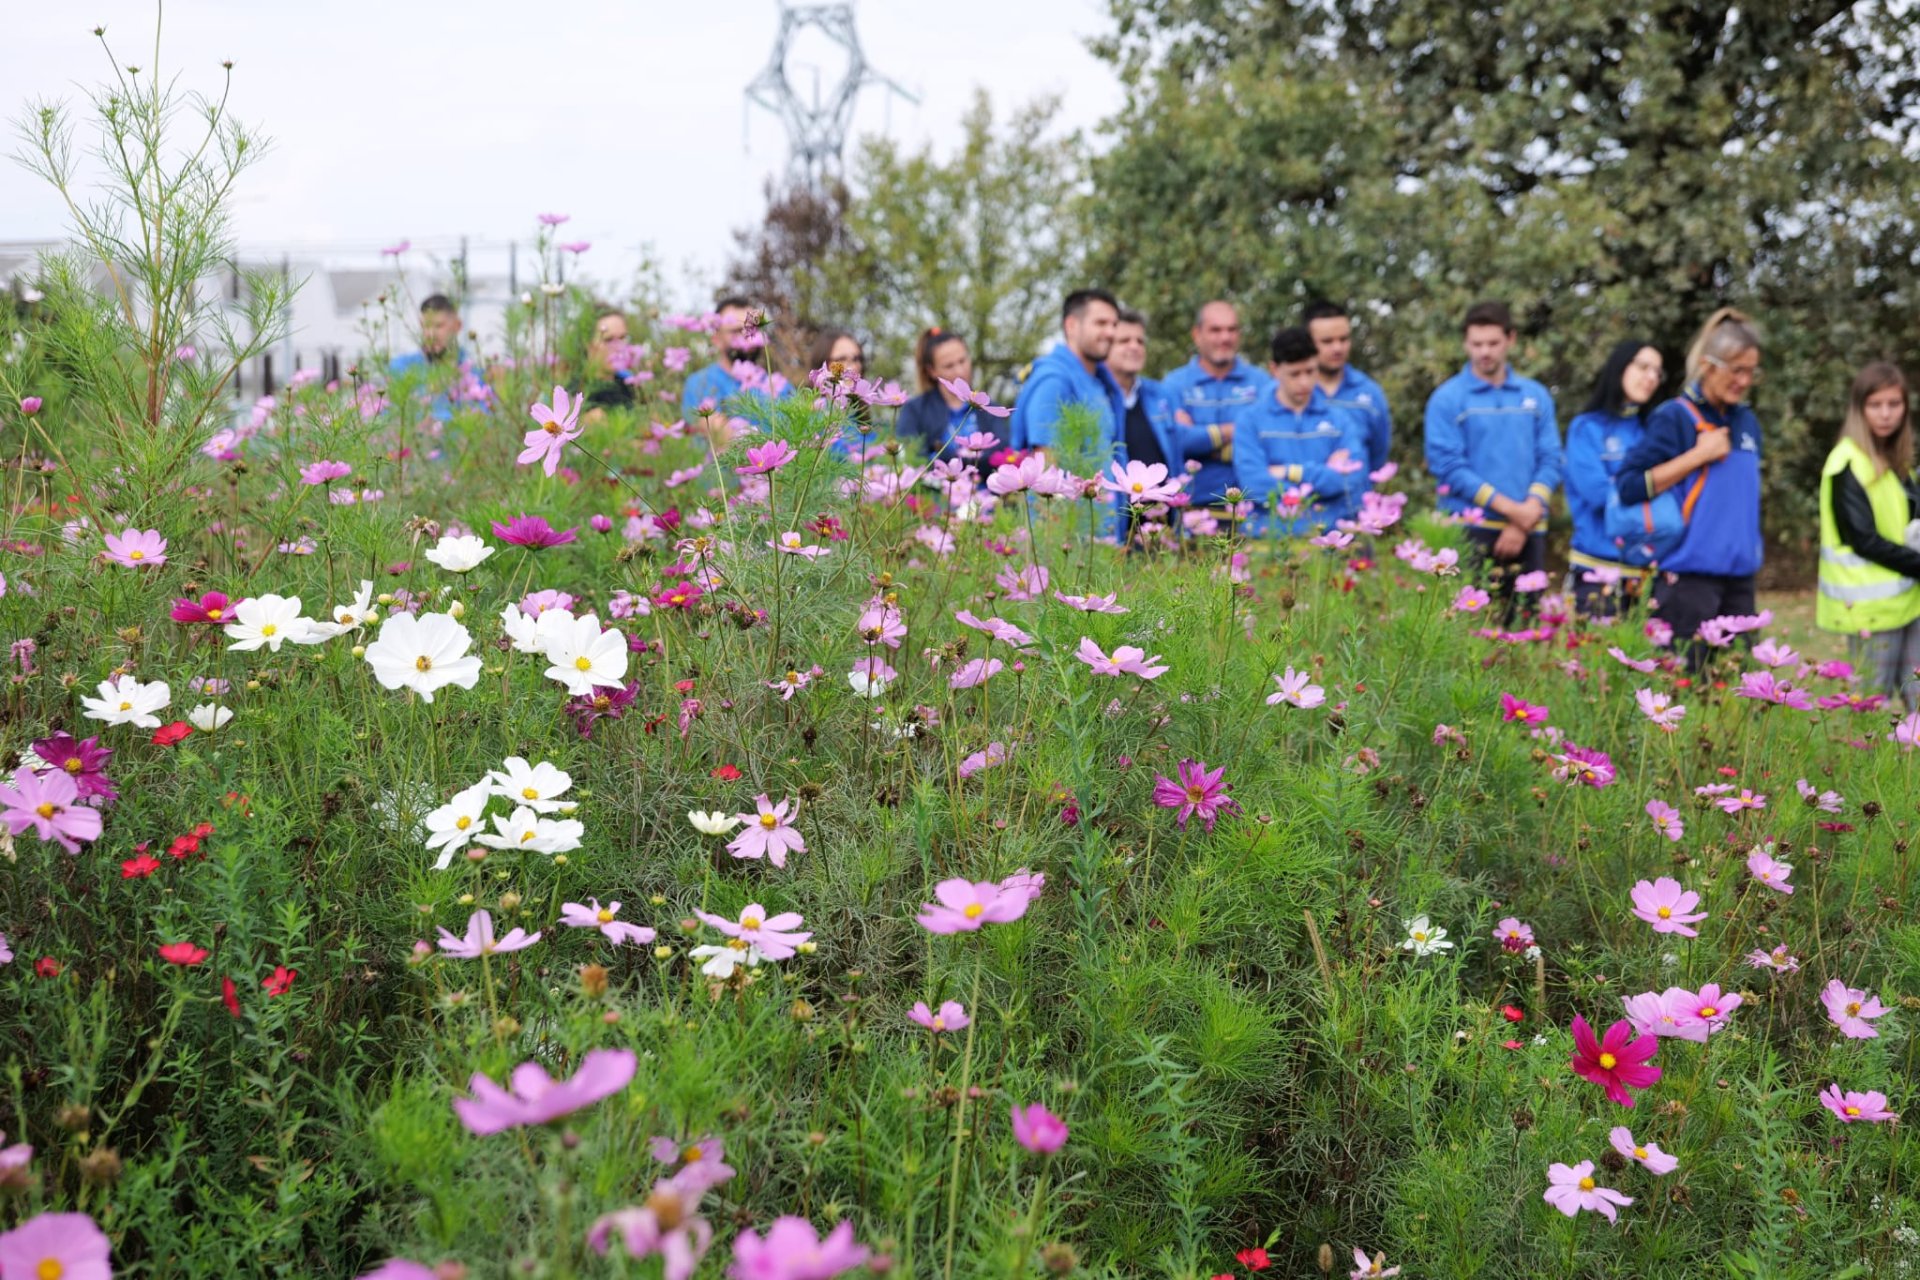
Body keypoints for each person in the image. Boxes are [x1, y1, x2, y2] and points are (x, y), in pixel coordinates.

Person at [1616, 308, 1765, 665]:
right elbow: (1628, 485)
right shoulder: (1675, 417)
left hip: (1740, 583)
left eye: (1751, 372)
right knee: (1683, 692)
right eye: (1736, 370)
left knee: (1741, 697)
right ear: (1707, 364)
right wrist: (1698, 455)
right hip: (1687, 583)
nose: (1743, 381)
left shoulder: (1747, 421)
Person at [1424, 300, 1563, 620]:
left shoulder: (1536, 395)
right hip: (1470, 530)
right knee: (1466, 634)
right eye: (1476, 344)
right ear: (1465, 343)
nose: (1484, 351)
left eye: (1493, 343)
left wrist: (1525, 514)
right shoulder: (1447, 398)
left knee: (1524, 633)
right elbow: (1448, 467)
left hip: (1529, 530)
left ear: (1511, 339)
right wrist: (1513, 511)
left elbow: (1551, 458)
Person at [1817, 361, 1920, 705]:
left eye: (1894, 404)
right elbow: (1863, 540)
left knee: (1916, 706)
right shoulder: (1848, 462)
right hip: (1870, 610)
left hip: (1909, 602)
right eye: (1875, 405)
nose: (1886, 414)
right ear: (1859, 409)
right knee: (1870, 712)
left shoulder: (1896, 461)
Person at [1563, 340, 1665, 616]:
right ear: (1619, 366)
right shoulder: (1587, 428)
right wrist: (1652, 491)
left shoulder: (1655, 432)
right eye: (1644, 367)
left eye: (1657, 372)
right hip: (1595, 570)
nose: (1651, 377)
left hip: (1647, 575)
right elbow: (1597, 495)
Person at [1234, 326, 1368, 536]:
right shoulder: (1250, 421)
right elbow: (1254, 484)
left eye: (1310, 371)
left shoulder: (1339, 420)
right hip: (1269, 541)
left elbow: (1350, 479)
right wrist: (1322, 480)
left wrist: (1290, 471)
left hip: (1331, 538)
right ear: (1274, 370)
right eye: (1294, 374)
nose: (1304, 382)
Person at [1158, 301, 1266, 506]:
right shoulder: (1173, 385)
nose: (1225, 337)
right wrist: (1239, 432)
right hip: (1189, 510)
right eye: (1215, 330)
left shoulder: (1262, 384)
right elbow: (1176, 443)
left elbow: (1269, 446)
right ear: (1196, 335)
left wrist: (1202, 441)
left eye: (1232, 330)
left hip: (1249, 511)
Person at [1007, 289, 1125, 461]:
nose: (1111, 333)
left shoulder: (1100, 383)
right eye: (1101, 323)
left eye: (1114, 325)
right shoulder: (1053, 381)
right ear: (1071, 325)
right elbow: (1046, 469)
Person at [1304, 299, 1392, 475]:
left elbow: (1378, 455)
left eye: (1344, 339)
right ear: (1308, 343)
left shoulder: (1369, 393)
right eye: (1327, 341)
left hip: (1355, 499)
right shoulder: (1290, 393)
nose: (1338, 348)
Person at [896, 329, 1005, 462]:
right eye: (949, 366)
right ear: (932, 371)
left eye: (962, 361)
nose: (960, 371)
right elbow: (911, 457)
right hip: (934, 482)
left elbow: (1002, 455)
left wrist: (943, 454)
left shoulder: (990, 409)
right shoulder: (914, 410)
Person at [389, 294, 487, 422]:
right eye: (426, 326)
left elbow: (483, 418)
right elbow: (390, 416)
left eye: (439, 326)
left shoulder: (474, 370)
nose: (431, 334)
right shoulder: (401, 367)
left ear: (457, 326)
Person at [680, 296, 765, 428]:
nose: (746, 336)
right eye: (736, 331)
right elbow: (718, 438)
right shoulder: (699, 384)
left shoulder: (778, 386)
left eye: (752, 329)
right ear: (716, 339)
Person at [580, 308, 636, 412]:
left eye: (623, 338)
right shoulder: (574, 391)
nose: (619, 347)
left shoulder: (631, 385)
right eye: (608, 340)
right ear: (589, 346)